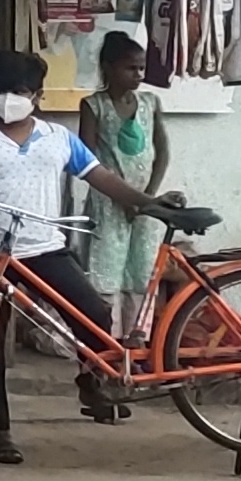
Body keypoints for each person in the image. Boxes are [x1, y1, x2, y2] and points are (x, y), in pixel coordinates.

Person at [0, 48, 196, 465]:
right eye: (0, 91)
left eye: (18, 91)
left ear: (37, 95)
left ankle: (90, 379)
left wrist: (151, 203)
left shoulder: (58, 139)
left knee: (93, 312)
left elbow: (103, 178)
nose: (9, 99)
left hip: (42, 246)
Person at [76, 31, 171, 352]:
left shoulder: (150, 103)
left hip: (146, 204)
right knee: (106, 266)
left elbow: (162, 153)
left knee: (141, 268)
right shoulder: (94, 106)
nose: (139, 75)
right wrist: (124, 197)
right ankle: (106, 339)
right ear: (108, 68)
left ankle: (137, 338)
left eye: (142, 68)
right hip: (107, 203)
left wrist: (147, 197)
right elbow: (87, 161)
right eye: (131, 68)